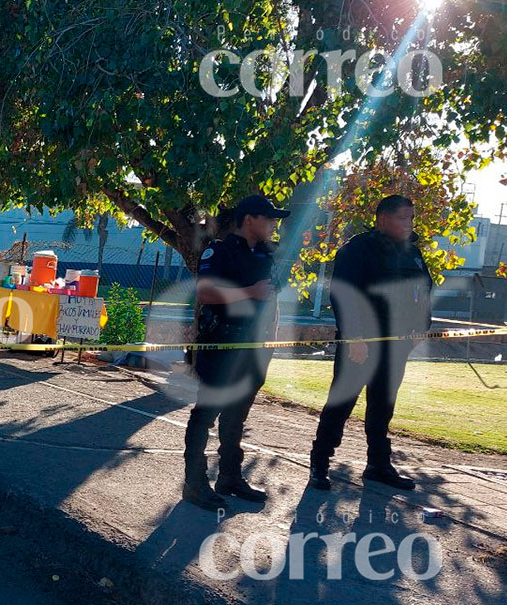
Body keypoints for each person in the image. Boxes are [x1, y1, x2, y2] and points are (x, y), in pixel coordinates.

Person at [309, 195, 433, 492]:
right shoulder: (358, 250)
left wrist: (420, 331)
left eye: (411, 218)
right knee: (340, 405)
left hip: (396, 346)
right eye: (402, 218)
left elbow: (425, 294)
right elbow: (343, 295)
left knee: (382, 407)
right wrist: (354, 337)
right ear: (382, 218)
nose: (408, 224)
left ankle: (378, 465)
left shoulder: (413, 253)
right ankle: (320, 463)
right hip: (362, 345)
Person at [182, 194, 290, 511]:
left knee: (236, 416)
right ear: (248, 220)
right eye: (268, 218)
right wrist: (248, 293)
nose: (273, 224)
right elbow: (204, 292)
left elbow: (271, 297)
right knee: (206, 415)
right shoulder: (220, 250)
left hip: (253, 348)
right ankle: (194, 482)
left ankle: (229, 476)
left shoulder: (267, 255)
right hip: (223, 345)